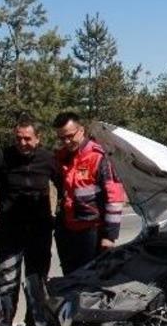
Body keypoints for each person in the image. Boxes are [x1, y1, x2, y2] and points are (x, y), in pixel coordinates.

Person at [0, 116, 58, 326]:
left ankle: (34, 325)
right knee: (7, 278)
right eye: (18, 138)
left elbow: (64, 186)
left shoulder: (48, 159)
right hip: (9, 231)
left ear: (38, 138)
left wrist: (57, 218)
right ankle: (4, 323)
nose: (22, 143)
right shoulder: (2, 158)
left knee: (36, 279)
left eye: (27, 138)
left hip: (39, 230)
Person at [52, 112, 125, 275]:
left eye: (70, 136)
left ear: (81, 130)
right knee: (70, 278)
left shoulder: (99, 157)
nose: (66, 141)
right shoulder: (61, 157)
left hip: (91, 232)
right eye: (62, 138)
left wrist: (110, 235)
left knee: (89, 281)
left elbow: (114, 198)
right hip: (67, 231)